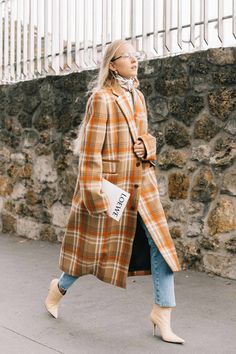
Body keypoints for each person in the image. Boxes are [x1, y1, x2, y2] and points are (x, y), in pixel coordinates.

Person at [45, 39, 185, 344]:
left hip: (143, 185)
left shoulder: (139, 96)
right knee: (92, 252)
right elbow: (90, 151)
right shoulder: (101, 98)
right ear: (112, 64)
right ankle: (58, 289)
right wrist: (94, 195)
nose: (135, 61)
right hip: (113, 189)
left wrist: (147, 146)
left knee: (161, 247)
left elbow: (147, 135)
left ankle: (162, 313)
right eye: (128, 57)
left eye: (136, 57)